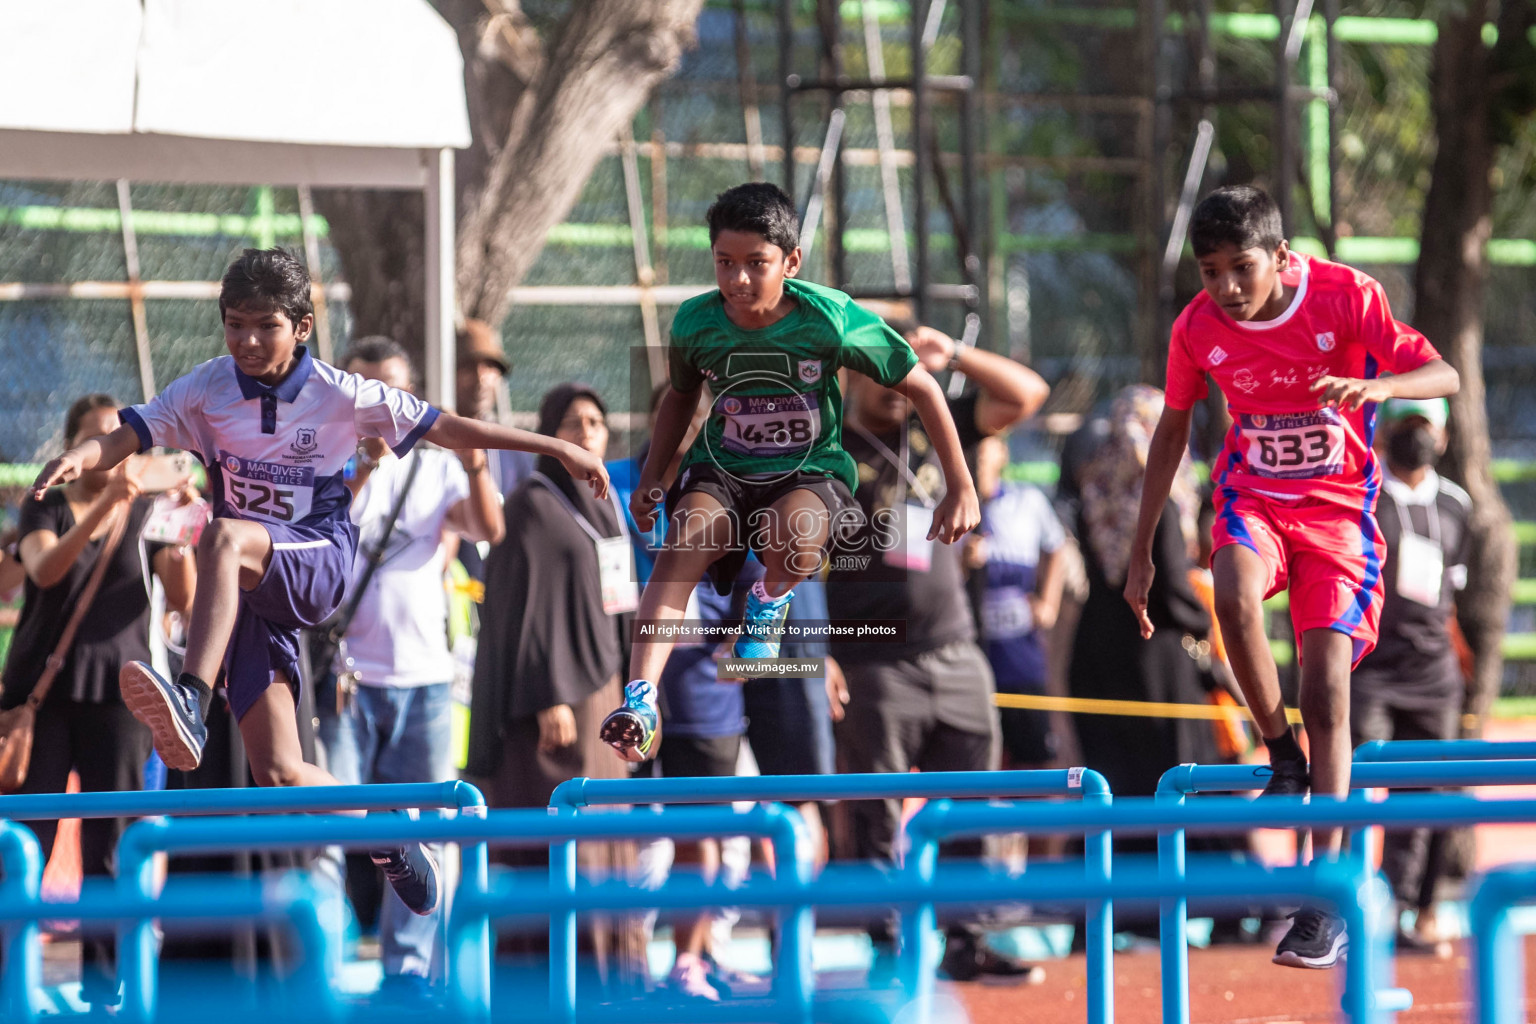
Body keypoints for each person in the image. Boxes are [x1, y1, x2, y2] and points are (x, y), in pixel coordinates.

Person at [30, 248, 609, 919]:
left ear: (302, 326)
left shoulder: (342, 392)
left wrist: (558, 447)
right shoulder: (207, 388)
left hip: (316, 561)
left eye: (265, 327)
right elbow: (130, 433)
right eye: (235, 325)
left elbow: (450, 427)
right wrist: (80, 454)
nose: (247, 341)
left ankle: (191, 697)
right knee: (279, 771)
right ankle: (390, 837)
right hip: (247, 591)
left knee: (221, 535)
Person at [1123, 185, 1459, 968]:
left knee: (1329, 685)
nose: (1227, 290)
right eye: (1210, 272)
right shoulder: (1198, 328)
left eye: (1241, 269)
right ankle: (1281, 752)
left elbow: (1440, 373)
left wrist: (1379, 387)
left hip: (1339, 517)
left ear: (1280, 256)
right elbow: (1174, 426)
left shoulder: (1345, 297)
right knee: (1233, 599)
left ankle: (1323, 891)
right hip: (1254, 502)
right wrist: (1142, 547)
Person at [602, 182, 980, 763]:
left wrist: (961, 486)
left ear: (791, 262)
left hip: (808, 471)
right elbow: (680, 397)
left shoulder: (828, 317)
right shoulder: (696, 323)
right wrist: (655, 476)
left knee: (798, 538)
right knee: (683, 544)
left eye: (756, 264)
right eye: (725, 264)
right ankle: (641, 697)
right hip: (723, 469)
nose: (739, 281)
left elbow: (923, 386)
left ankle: (769, 600)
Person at [826, 320, 1048, 982]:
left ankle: (965, 938)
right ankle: (888, 946)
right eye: (876, 364)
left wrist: (951, 354)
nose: (890, 379)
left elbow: (1027, 394)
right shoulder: (827, 440)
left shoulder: (939, 417)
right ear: (852, 369)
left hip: (955, 649)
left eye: (900, 364)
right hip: (872, 658)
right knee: (879, 811)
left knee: (970, 799)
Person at [314, 336, 504, 997]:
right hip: (342, 680)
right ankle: (324, 967)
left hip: (422, 679)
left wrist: (476, 465)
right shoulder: (317, 460)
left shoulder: (434, 466)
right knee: (328, 825)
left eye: (391, 390)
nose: (377, 404)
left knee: (420, 836)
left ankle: (409, 973)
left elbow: (487, 529)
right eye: (363, 388)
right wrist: (362, 465)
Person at [3, 394, 195, 1007]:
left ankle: (107, 985)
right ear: (72, 447)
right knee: (22, 840)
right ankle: (10, 978)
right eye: (94, 437)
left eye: (119, 436)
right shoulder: (47, 505)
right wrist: (105, 507)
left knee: (110, 845)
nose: (110, 449)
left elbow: (184, 596)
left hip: (123, 691)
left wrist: (187, 531)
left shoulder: (151, 511)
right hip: (41, 692)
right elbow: (43, 572)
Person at [464, 383, 646, 984]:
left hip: (605, 695)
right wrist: (548, 698)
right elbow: (524, 608)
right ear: (548, 434)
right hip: (556, 708)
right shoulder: (531, 504)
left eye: (596, 422)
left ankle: (611, 978)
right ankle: (547, 983)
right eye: (572, 423)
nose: (588, 432)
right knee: (560, 843)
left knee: (605, 841)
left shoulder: (607, 504)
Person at [1350, 396, 1470, 955]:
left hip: (1432, 673)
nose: (1414, 435)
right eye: (1404, 423)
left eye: (1425, 425)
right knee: (1348, 785)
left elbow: (1454, 594)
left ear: (1442, 436)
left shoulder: (1457, 505)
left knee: (1424, 794)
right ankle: (1338, 907)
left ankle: (1402, 911)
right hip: (1368, 667)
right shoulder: (1361, 496)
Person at [964, 433, 1066, 770]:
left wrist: (1048, 603)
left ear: (1003, 452)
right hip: (971, 649)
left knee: (1035, 754)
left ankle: (1035, 822)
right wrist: (962, 563)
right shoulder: (950, 502)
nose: (980, 451)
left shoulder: (1028, 501)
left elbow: (1057, 547)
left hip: (1022, 650)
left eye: (988, 440)